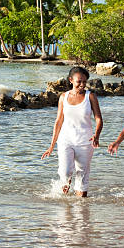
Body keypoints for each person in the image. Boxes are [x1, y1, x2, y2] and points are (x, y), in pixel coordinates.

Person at [42, 66, 103, 197]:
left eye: (84, 82)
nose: (82, 84)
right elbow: (58, 121)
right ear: (71, 80)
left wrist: (97, 135)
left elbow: (98, 118)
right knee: (65, 172)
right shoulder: (63, 97)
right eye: (79, 81)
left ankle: (81, 210)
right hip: (65, 140)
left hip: (85, 141)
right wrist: (51, 145)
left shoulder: (90, 96)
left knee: (82, 175)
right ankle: (66, 200)